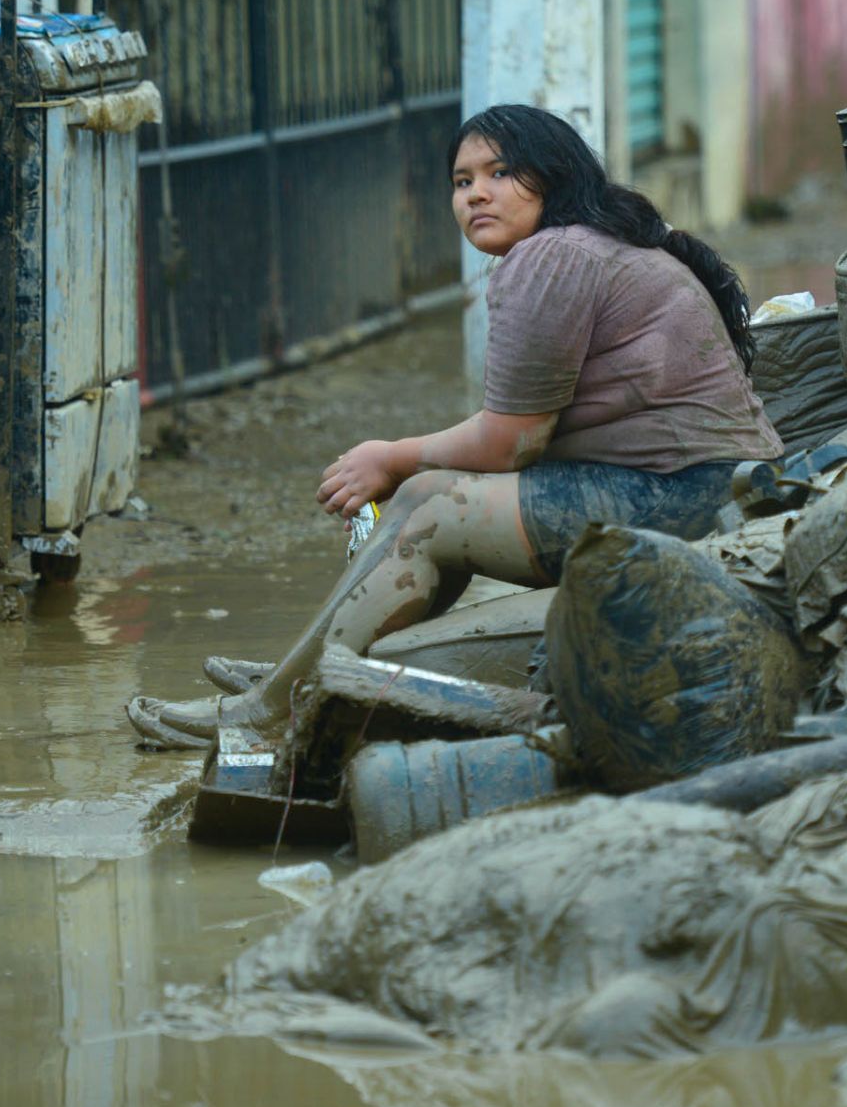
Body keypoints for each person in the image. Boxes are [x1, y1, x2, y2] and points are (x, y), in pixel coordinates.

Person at [127, 103, 783, 748]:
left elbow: (510, 442)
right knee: (429, 491)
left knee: (430, 507)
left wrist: (391, 457)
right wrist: (406, 460)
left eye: (500, 173)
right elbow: (519, 422)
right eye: (462, 181)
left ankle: (272, 712)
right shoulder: (587, 247)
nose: (476, 195)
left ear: (554, 177)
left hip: (689, 499)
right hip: (715, 490)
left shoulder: (553, 257)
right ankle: (304, 676)